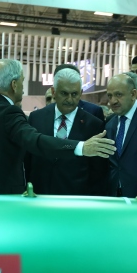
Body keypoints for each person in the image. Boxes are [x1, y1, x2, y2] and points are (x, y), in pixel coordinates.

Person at [0, 59, 115, 194]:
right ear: (14, 85)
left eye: (74, 94)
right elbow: (35, 141)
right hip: (7, 197)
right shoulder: (12, 113)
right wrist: (80, 147)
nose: (23, 88)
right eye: (22, 82)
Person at [26, 68, 107, 196]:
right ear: (54, 92)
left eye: (74, 94)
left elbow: (97, 171)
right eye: (64, 93)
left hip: (76, 198)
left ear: (81, 93)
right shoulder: (36, 118)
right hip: (39, 194)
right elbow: (28, 159)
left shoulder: (93, 125)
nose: (69, 99)